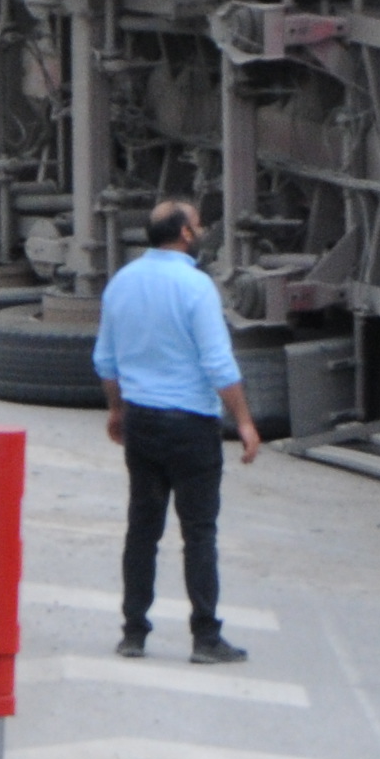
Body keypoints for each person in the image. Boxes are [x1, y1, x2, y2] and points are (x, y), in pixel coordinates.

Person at [93, 197, 264, 664]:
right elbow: (218, 364)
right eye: (197, 224)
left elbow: (106, 362)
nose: (202, 229)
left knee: (142, 530)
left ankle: (133, 632)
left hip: (142, 422)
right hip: (191, 425)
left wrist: (117, 410)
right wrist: (245, 422)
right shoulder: (196, 287)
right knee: (200, 533)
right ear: (185, 235)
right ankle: (206, 638)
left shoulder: (121, 283)